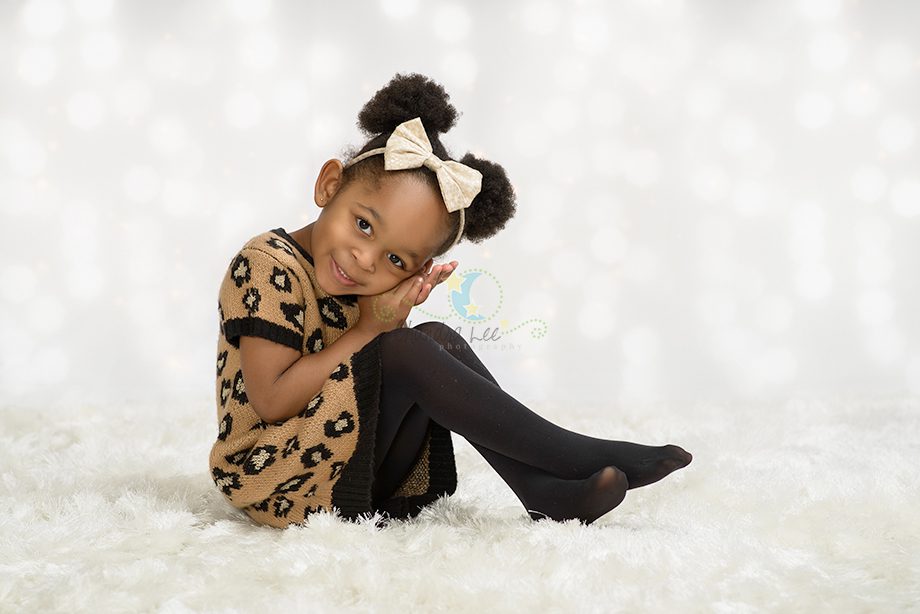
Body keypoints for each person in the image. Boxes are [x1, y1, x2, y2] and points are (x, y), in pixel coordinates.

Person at [209, 72, 692, 529]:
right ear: (329, 184)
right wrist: (370, 330)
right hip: (273, 482)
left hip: (352, 473)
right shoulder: (267, 264)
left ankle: (539, 490)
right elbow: (272, 401)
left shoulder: (364, 286)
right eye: (364, 224)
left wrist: (387, 322)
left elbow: (370, 386)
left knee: (436, 337)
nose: (365, 260)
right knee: (403, 349)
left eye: (396, 259)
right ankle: (572, 454)